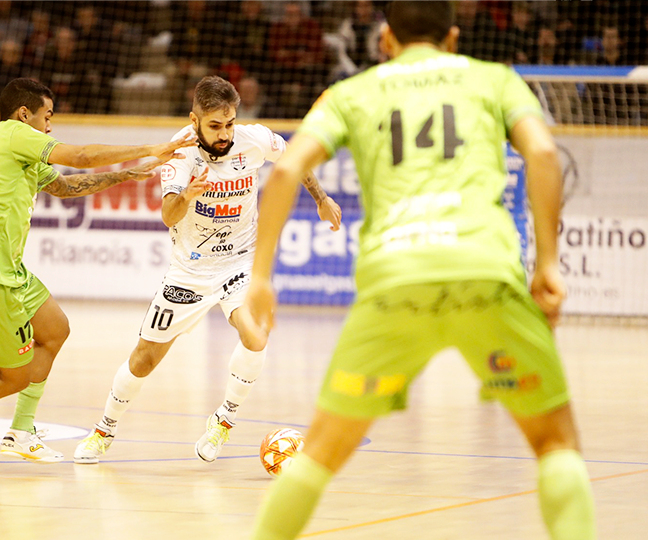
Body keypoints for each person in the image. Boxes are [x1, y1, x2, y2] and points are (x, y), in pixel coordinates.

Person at [244, 3, 596, 539]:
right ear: (453, 37)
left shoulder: (352, 92)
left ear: (385, 39)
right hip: (485, 274)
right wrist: (548, 261)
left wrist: (262, 277)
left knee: (317, 455)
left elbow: (288, 166)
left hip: (394, 282)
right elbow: (544, 154)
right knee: (555, 444)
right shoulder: (494, 79)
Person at [0, 78, 196, 461]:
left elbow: (67, 187)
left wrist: (124, 176)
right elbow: (79, 157)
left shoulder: (12, 146)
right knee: (11, 377)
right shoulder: (13, 134)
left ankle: (21, 430)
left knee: (55, 330)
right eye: (47, 117)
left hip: (8, 272)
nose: (50, 127)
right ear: (23, 114)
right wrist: (151, 148)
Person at [72, 75, 341, 465]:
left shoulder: (254, 139)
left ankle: (224, 421)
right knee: (145, 358)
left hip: (239, 262)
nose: (224, 133)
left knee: (256, 335)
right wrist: (186, 196)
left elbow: (295, 159)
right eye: (215, 125)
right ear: (194, 119)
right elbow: (168, 215)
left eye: (229, 123)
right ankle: (104, 430)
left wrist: (321, 197)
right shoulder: (181, 152)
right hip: (190, 272)